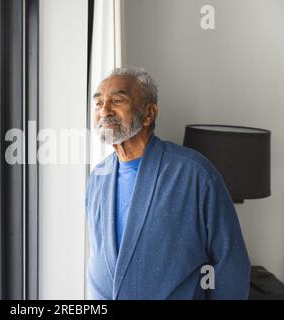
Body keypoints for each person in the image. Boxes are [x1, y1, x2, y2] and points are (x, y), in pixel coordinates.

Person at [86, 66, 250, 299]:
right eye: (98, 103)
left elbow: (231, 263)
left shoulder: (194, 174)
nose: (105, 110)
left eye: (118, 100)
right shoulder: (97, 178)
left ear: (149, 114)